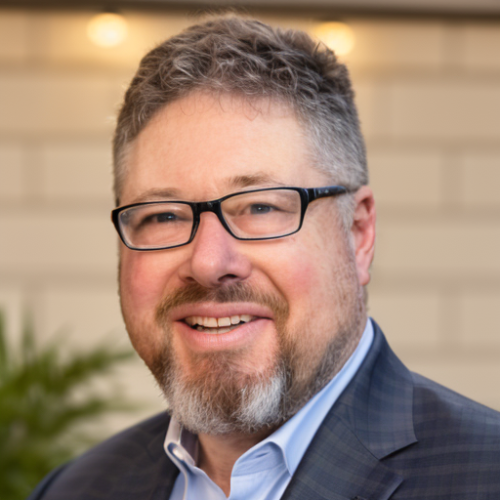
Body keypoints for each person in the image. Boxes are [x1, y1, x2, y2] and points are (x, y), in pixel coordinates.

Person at [28, 16, 500, 500]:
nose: (209, 263)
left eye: (260, 207)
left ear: (358, 233)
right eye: (164, 215)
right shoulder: (74, 490)